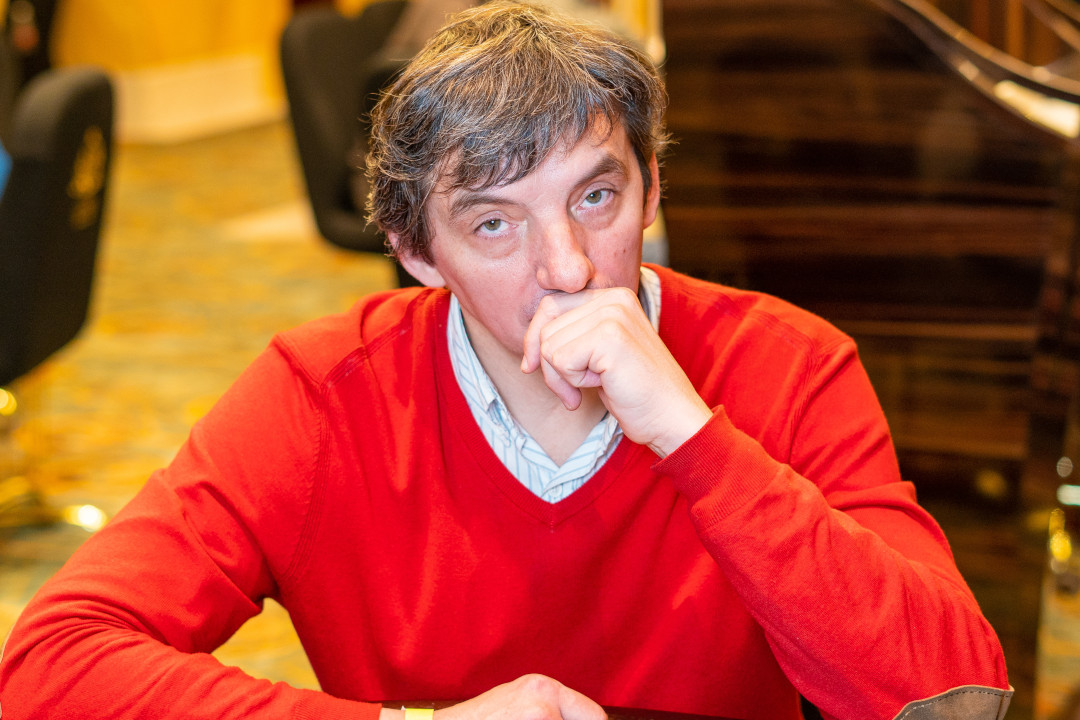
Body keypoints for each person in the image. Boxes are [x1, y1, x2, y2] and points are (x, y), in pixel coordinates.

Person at [0, 2, 1012, 719]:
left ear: (653, 190)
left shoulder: (789, 364)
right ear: (416, 253)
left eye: (596, 197)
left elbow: (954, 697)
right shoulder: (323, 395)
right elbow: (50, 666)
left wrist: (692, 437)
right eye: (494, 223)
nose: (568, 267)